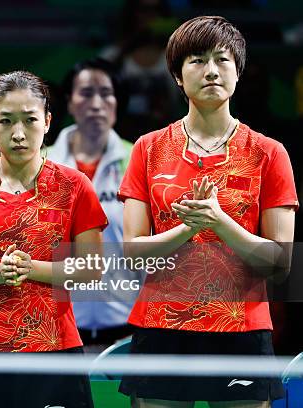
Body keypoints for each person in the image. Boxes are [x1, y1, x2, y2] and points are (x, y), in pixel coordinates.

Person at [117, 16, 297, 407]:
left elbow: (281, 262)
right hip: (161, 327)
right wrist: (186, 228)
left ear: (238, 73)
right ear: (178, 77)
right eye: (197, 60)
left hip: (242, 329)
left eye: (223, 60)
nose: (211, 70)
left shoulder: (268, 153)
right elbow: (133, 254)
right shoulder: (147, 149)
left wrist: (219, 221)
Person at [0, 71, 107, 408]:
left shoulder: (75, 187)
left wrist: (31, 268)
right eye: (6, 121)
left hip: (55, 350)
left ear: (47, 122)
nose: (18, 134)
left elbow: (92, 268)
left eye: (29, 120)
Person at [48, 57, 136, 353]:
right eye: (86, 93)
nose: (97, 103)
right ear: (69, 102)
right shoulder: (40, 165)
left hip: (127, 332)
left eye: (106, 93)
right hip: (56, 331)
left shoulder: (139, 161)